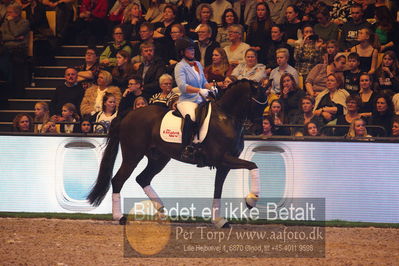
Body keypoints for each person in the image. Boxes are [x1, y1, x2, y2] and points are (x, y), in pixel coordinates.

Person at [174, 37, 213, 160]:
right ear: (182, 52)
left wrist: (212, 88)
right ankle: (186, 147)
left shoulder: (198, 65)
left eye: (192, 48)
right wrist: (199, 90)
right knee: (191, 117)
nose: (192, 51)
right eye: (189, 49)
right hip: (186, 100)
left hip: (200, 99)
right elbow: (182, 86)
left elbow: (204, 82)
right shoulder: (180, 67)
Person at [0, 4, 30, 99]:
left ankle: (17, 92)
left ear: (17, 13)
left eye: (10, 12)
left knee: (14, 62)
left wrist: (11, 22)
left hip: (19, 50)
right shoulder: (5, 23)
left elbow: (16, 32)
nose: (7, 14)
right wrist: (15, 38)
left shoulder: (24, 22)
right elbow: (3, 37)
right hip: (6, 49)